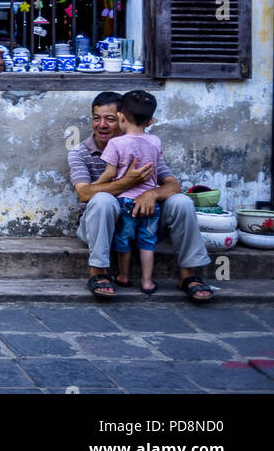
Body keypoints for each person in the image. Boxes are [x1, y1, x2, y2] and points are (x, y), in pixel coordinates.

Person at [67, 91, 214, 302]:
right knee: (102, 199)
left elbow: (173, 185)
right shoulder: (79, 153)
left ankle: (188, 274)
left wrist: (152, 194)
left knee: (181, 201)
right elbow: (84, 193)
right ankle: (98, 272)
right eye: (96, 118)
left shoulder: (145, 146)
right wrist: (128, 182)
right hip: (101, 227)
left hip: (145, 223)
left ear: (123, 118)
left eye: (110, 119)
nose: (102, 125)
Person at [92, 90, 164, 294]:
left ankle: (123, 276)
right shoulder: (156, 141)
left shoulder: (116, 143)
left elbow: (110, 173)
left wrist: (95, 186)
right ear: (150, 121)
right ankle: (147, 282)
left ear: (121, 117)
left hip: (126, 202)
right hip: (150, 203)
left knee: (124, 239)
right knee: (147, 241)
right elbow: (157, 169)